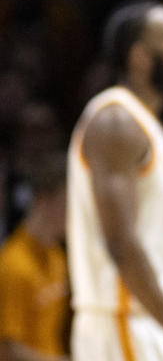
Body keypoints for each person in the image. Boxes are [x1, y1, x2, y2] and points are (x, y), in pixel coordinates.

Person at [66, 0, 163, 361]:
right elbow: (121, 242)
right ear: (139, 56)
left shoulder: (143, 122)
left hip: (144, 319)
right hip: (123, 321)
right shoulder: (116, 121)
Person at [0, 141, 69, 361]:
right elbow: (7, 350)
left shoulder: (58, 258)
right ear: (43, 198)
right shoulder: (12, 265)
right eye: (69, 202)